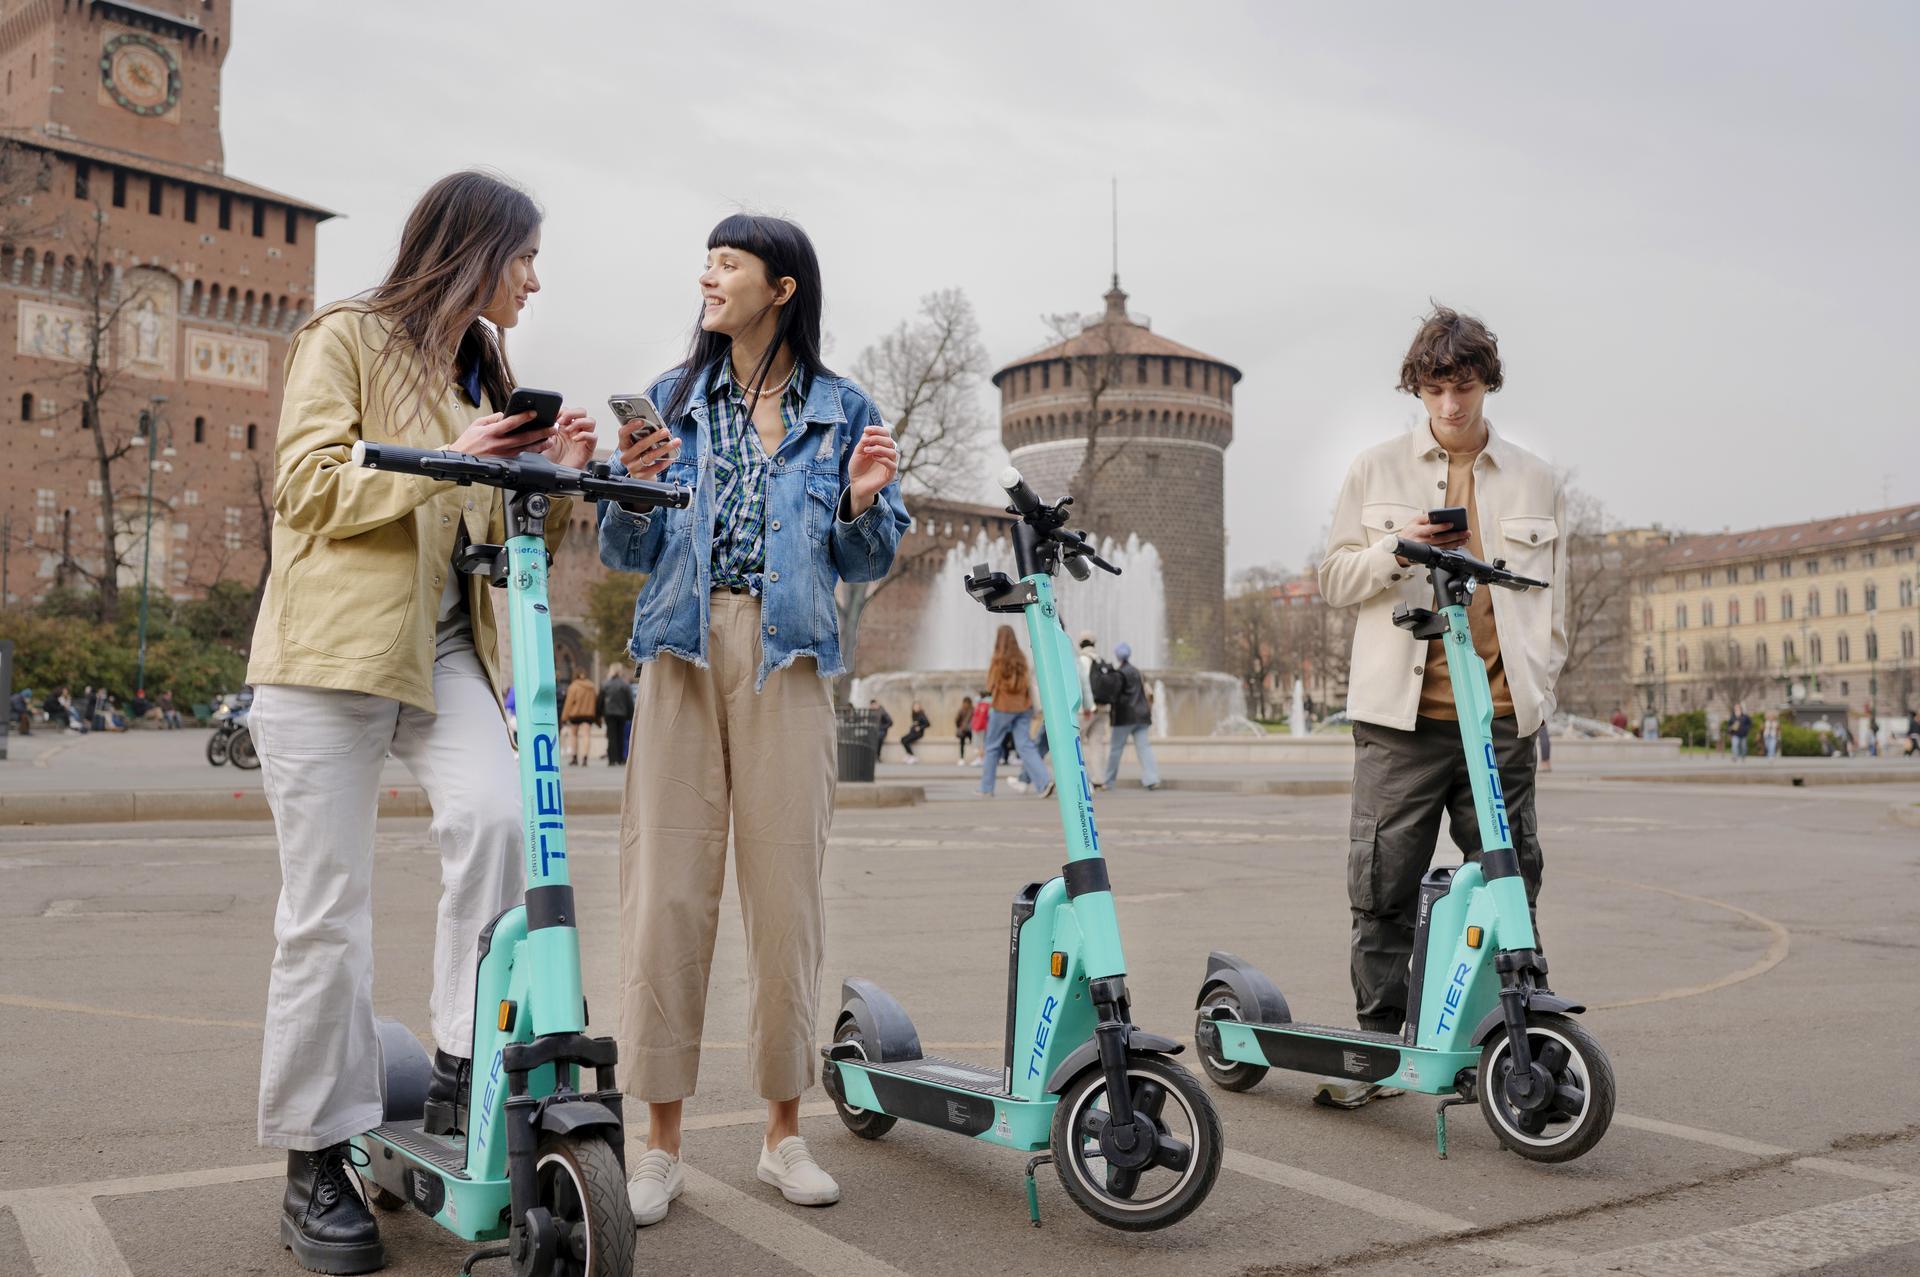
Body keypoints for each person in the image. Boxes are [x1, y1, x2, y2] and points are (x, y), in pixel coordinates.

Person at [245, 170, 598, 1274]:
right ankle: (315, 1156)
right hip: (329, 653)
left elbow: (479, 520)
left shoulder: (482, 370)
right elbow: (304, 483)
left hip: (446, 651)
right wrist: (453, 457)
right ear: (475, 247)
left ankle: (461, 1060)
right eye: (525, 255)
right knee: (326, 913)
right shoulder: (343, 335)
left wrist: (552, 473)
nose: (536, 277)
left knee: (501, 823)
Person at [597, 212, 906, 1224]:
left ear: (781, 287)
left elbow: (867, 563)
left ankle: (783, 1134)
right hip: (680, 653)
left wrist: (864, 502)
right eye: (706, 259)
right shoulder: (674, 400)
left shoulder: (841, 406)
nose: (708, 273)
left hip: (790, 663)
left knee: (786, 899)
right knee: (667, 897)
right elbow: (625, 553)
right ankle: (659, 1144)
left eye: (728, 261)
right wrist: (632, 486)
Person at [1316, 304, 1565, 1109]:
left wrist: (1540, 686)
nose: (1450, 405)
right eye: (1434, 389)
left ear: (1486, 383)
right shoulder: (1373, 469)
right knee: (1383, 886)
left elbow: (1553, 602)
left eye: (1463, 387)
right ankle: (1383, 1048)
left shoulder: (1534, 478)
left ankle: (1523, 1042)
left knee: (1509, 885)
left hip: (1497, 716)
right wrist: (1398, 548)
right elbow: (1334, 580)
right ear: (1416, 390)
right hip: (1402, 720)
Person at [978, 625, 1051, 798]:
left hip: (1003, 707)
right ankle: (1044, 783)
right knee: (1025, 746)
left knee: (992, 746)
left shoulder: (998, 660)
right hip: (1023, 708)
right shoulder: (1022, 658)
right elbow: (1027, 682)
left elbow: (989, 685)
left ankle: (986, 788)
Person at [1101, 642, 1160, 791]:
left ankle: (1109, 781)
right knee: (1144, 748)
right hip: (1142, 716)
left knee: (1116, 750)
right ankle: (1152, 778)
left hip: (1124, 717)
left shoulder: (1119, 673)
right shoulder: (1138, 672)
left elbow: (1114, 694)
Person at [561, 669, 598, 765]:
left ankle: (574, 757)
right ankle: (585, 758)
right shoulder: (591, 686)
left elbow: (568, 703)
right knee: (586, 735)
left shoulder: (573, 686)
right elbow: (595, 700)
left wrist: (564, 717)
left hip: (575, 715)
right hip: (588, 715)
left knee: (573, 735)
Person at [600, 666, 634, 766]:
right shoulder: (625, 685)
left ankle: (612, 759)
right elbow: (629, 701)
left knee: (611, 736)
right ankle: (620, 758)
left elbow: (600, 700)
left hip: (609, 713)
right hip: (622, 713)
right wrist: (630, 714)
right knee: (621, 735)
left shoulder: (606, 684)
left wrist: (600, 712)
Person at [969, 692, 991, 765]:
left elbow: (981, 718)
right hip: (981, 727)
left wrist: (976, 726)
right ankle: (980, 758)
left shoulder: (983, 705)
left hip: (980, 727)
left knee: (980, 744)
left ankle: (980, 759)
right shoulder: (983, 704)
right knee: (980, 744)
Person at [955, 695, 975, 763]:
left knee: (965, 744)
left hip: (965, 729)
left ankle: (962, 758)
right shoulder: (972, 709)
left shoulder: (962, 710)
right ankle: (963, 758)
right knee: (971, 743)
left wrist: (959, 726)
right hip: (968, 729)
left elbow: (957, 720)